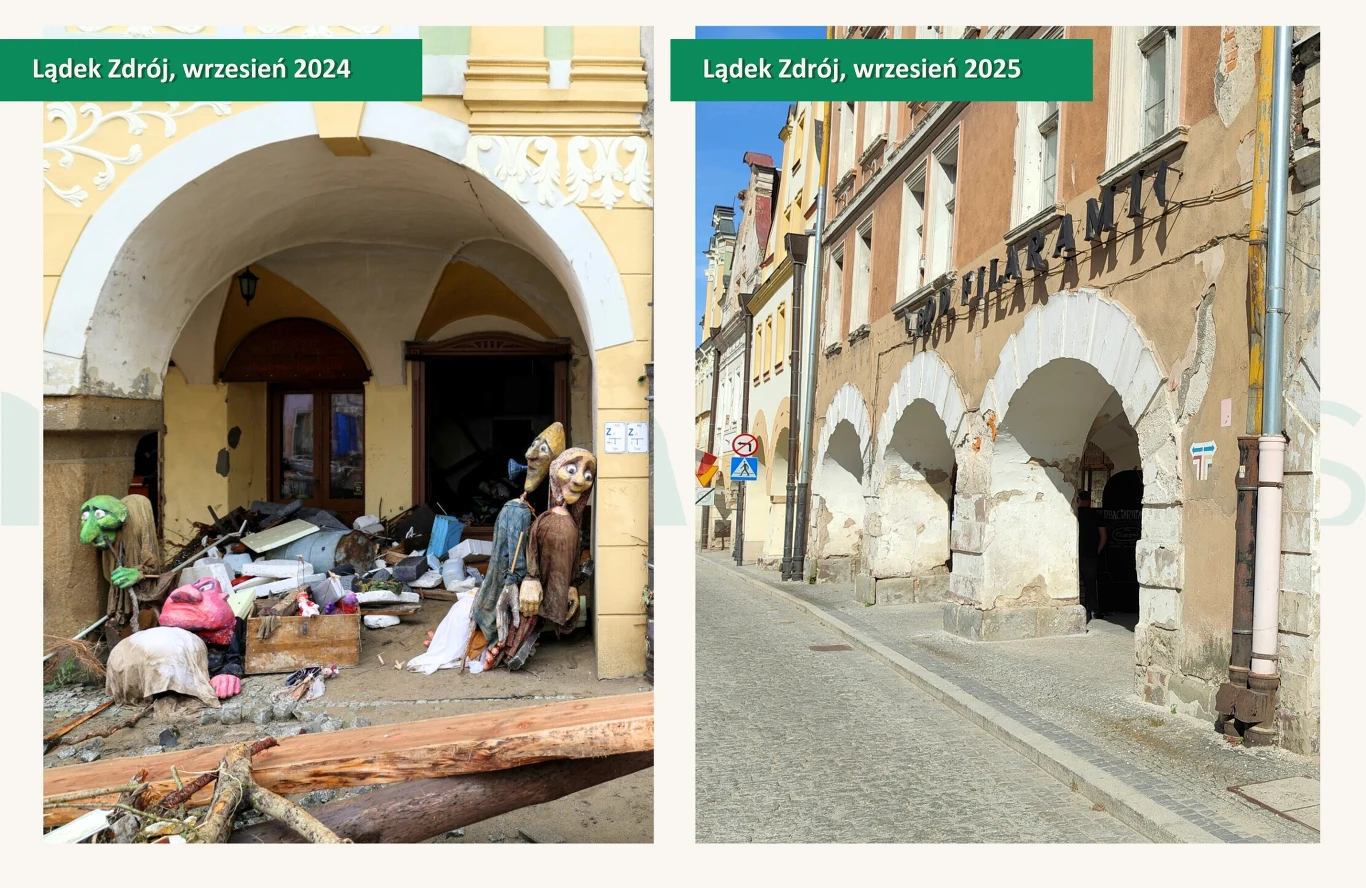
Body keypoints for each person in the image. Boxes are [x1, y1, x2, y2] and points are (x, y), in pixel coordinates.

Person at [1076, 490, 1107, 621]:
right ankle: (1093, 610)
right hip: (1091, 554)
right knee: (1090, 584)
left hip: (1075, 554)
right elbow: (1103, 536)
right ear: (1090, 501)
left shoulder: (1074, 514)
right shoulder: (1096, 515)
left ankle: (1076, 607)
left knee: (1074, 583)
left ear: (1078, 500)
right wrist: (1097, 550)